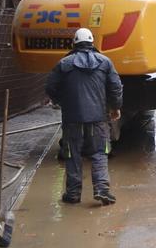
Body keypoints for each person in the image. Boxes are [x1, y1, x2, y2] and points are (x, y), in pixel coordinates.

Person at [45, 27, 123, 205]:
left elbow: (50, 87)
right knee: (99, 153)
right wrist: (115, 107)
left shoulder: (64, 63)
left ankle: (73, 194)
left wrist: (61, 101)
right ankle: (102, 189)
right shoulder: (105, 62)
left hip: (72, 119)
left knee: (73, 154)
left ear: (75, 43)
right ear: (92, 42)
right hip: (98, 119)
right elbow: (116, 87)